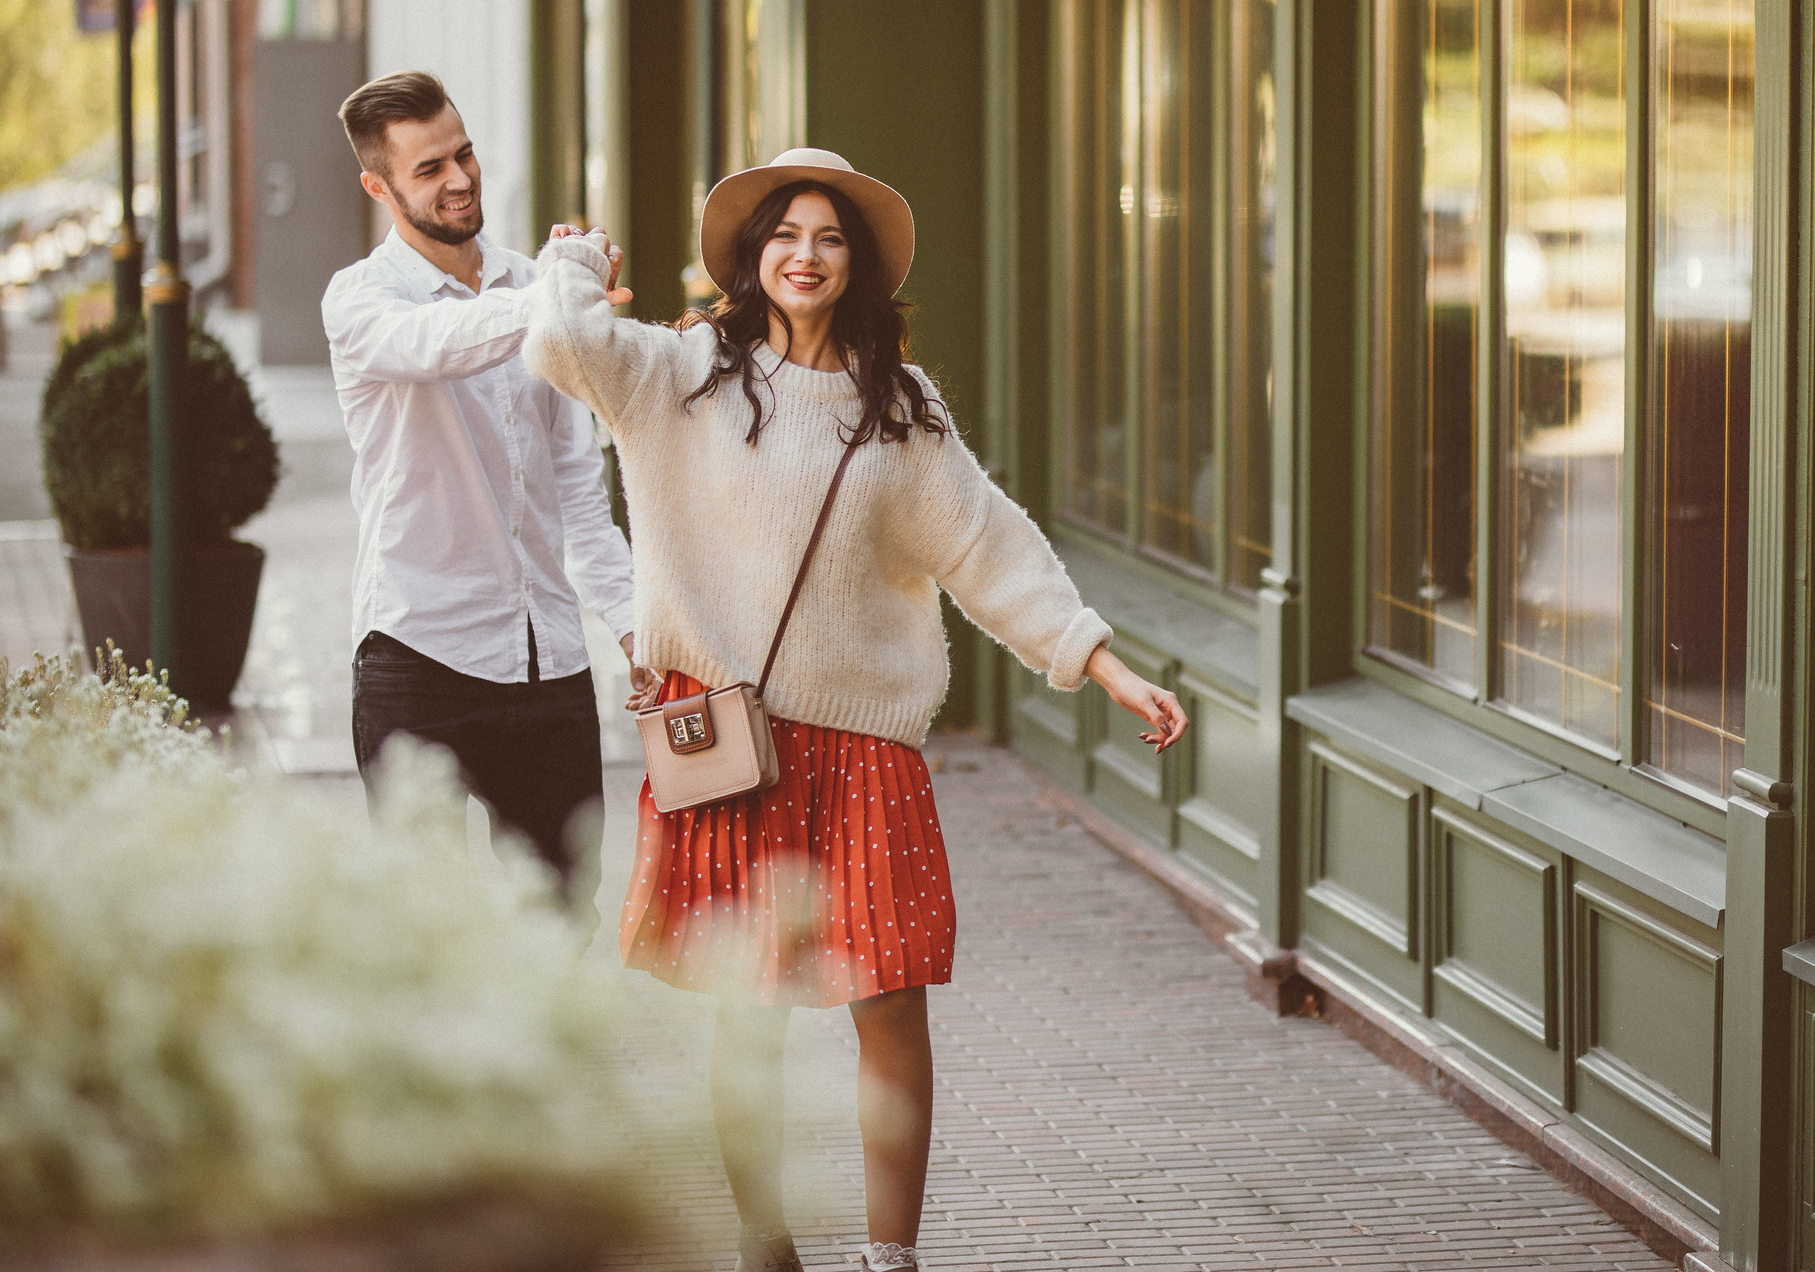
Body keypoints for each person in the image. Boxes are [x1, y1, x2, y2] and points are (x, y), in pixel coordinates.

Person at [523, 147, 1186, 1272]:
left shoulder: (900, 408)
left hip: (866, 748)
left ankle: (893, 1258)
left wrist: (1103, 664)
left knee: (891, 1007)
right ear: (751, 256)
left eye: (829, 237)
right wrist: (575, 262)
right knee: (752, 1011)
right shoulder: (681, 374)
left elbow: (988, 548)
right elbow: (559, 341)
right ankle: (763, 1238)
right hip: (733, 744)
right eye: (785, 234)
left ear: (857, 264)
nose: (805, 254)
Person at [321, 70, 642, 922]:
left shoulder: (538, 282)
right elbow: (437, 343)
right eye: (429, 168)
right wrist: (557, 297)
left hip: (549, 660)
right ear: (379, 186)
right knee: (421, 932)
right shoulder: (359, 301)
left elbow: (578, 490)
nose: (460, 178)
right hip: (415, 651)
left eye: (462, 153)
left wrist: (642, 628)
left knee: (566, 910)